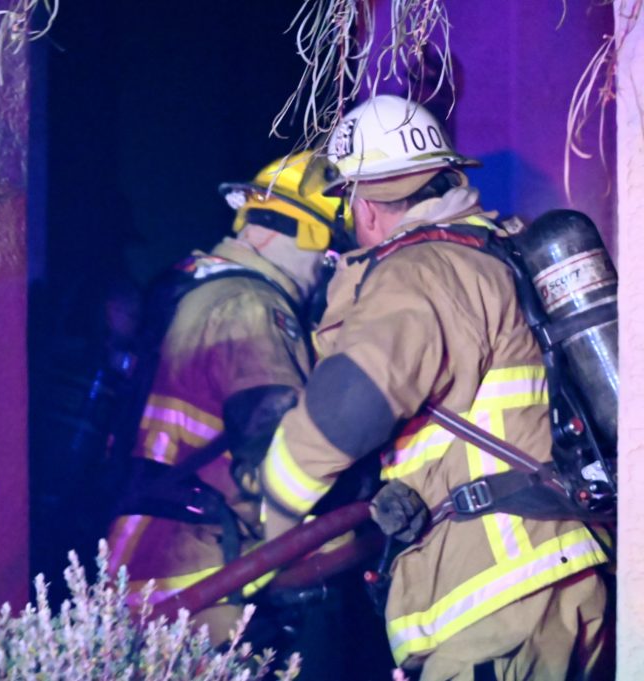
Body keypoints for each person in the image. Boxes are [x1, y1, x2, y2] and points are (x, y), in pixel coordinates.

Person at [259, 94, 612, 680]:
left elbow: (348, 406)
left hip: (495, 600)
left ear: (365, 205)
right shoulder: (496, 252)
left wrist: (271, 511)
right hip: (560, 573)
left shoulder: (420, 271)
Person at [105, 151, 394, 678]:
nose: (325, 276)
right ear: (313, 239)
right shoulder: (251, 306)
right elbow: (284, 456)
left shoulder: (182, 287)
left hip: (133, 565)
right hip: (201, 584)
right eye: (332, 257)